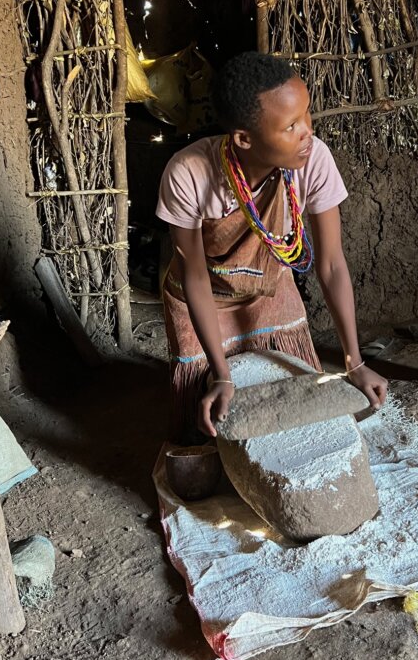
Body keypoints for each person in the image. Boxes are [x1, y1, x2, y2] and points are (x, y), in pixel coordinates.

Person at [156, 51, 388, 441]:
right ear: (244, 138)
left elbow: (330, 264)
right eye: (291, 125)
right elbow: (193, 274)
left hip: (268, 291)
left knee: (297, 411)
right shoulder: (189, 173)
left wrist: (354, 361)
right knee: (209, 430)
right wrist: (220, 375)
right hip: (203, 296)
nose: (307, 132)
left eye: (307, 115)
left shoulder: (314, 161)